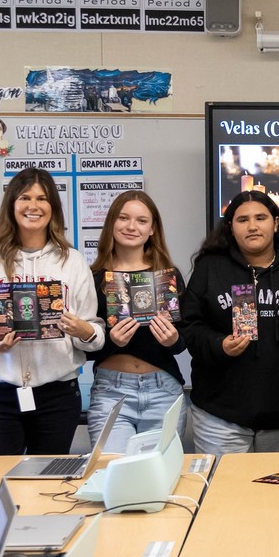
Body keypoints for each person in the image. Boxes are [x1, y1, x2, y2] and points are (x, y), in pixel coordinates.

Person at [0, 168, 104, 458]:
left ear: (52, 207)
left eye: (42, 198)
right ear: (11, 205)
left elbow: (94, 329)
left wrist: (84, 331)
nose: (33, 206)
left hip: (58, 394)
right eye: (24, 197)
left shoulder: (72, 261)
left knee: (48, 485)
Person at [181, 190, 279, 455]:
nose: (253, 226)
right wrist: (218, 344)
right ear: (230, 227)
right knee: (221, 494)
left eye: (261, 217)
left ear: (276, 223)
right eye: (242, 219)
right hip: (219, 415)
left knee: (276, 496)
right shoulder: (209, 268)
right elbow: (189, 327)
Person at [85, 190, 186, 453]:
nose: (132, 226)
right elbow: (83, 350)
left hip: (163, 389)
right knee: (113, 476)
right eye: (123, 218)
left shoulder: (169, 277)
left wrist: (174, 339)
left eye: (142, 221)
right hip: (111, 391)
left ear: (152, 229)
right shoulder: (92, 278)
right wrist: (112, 341)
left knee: (158, 478)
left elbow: (184, 342)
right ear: (111, 223)